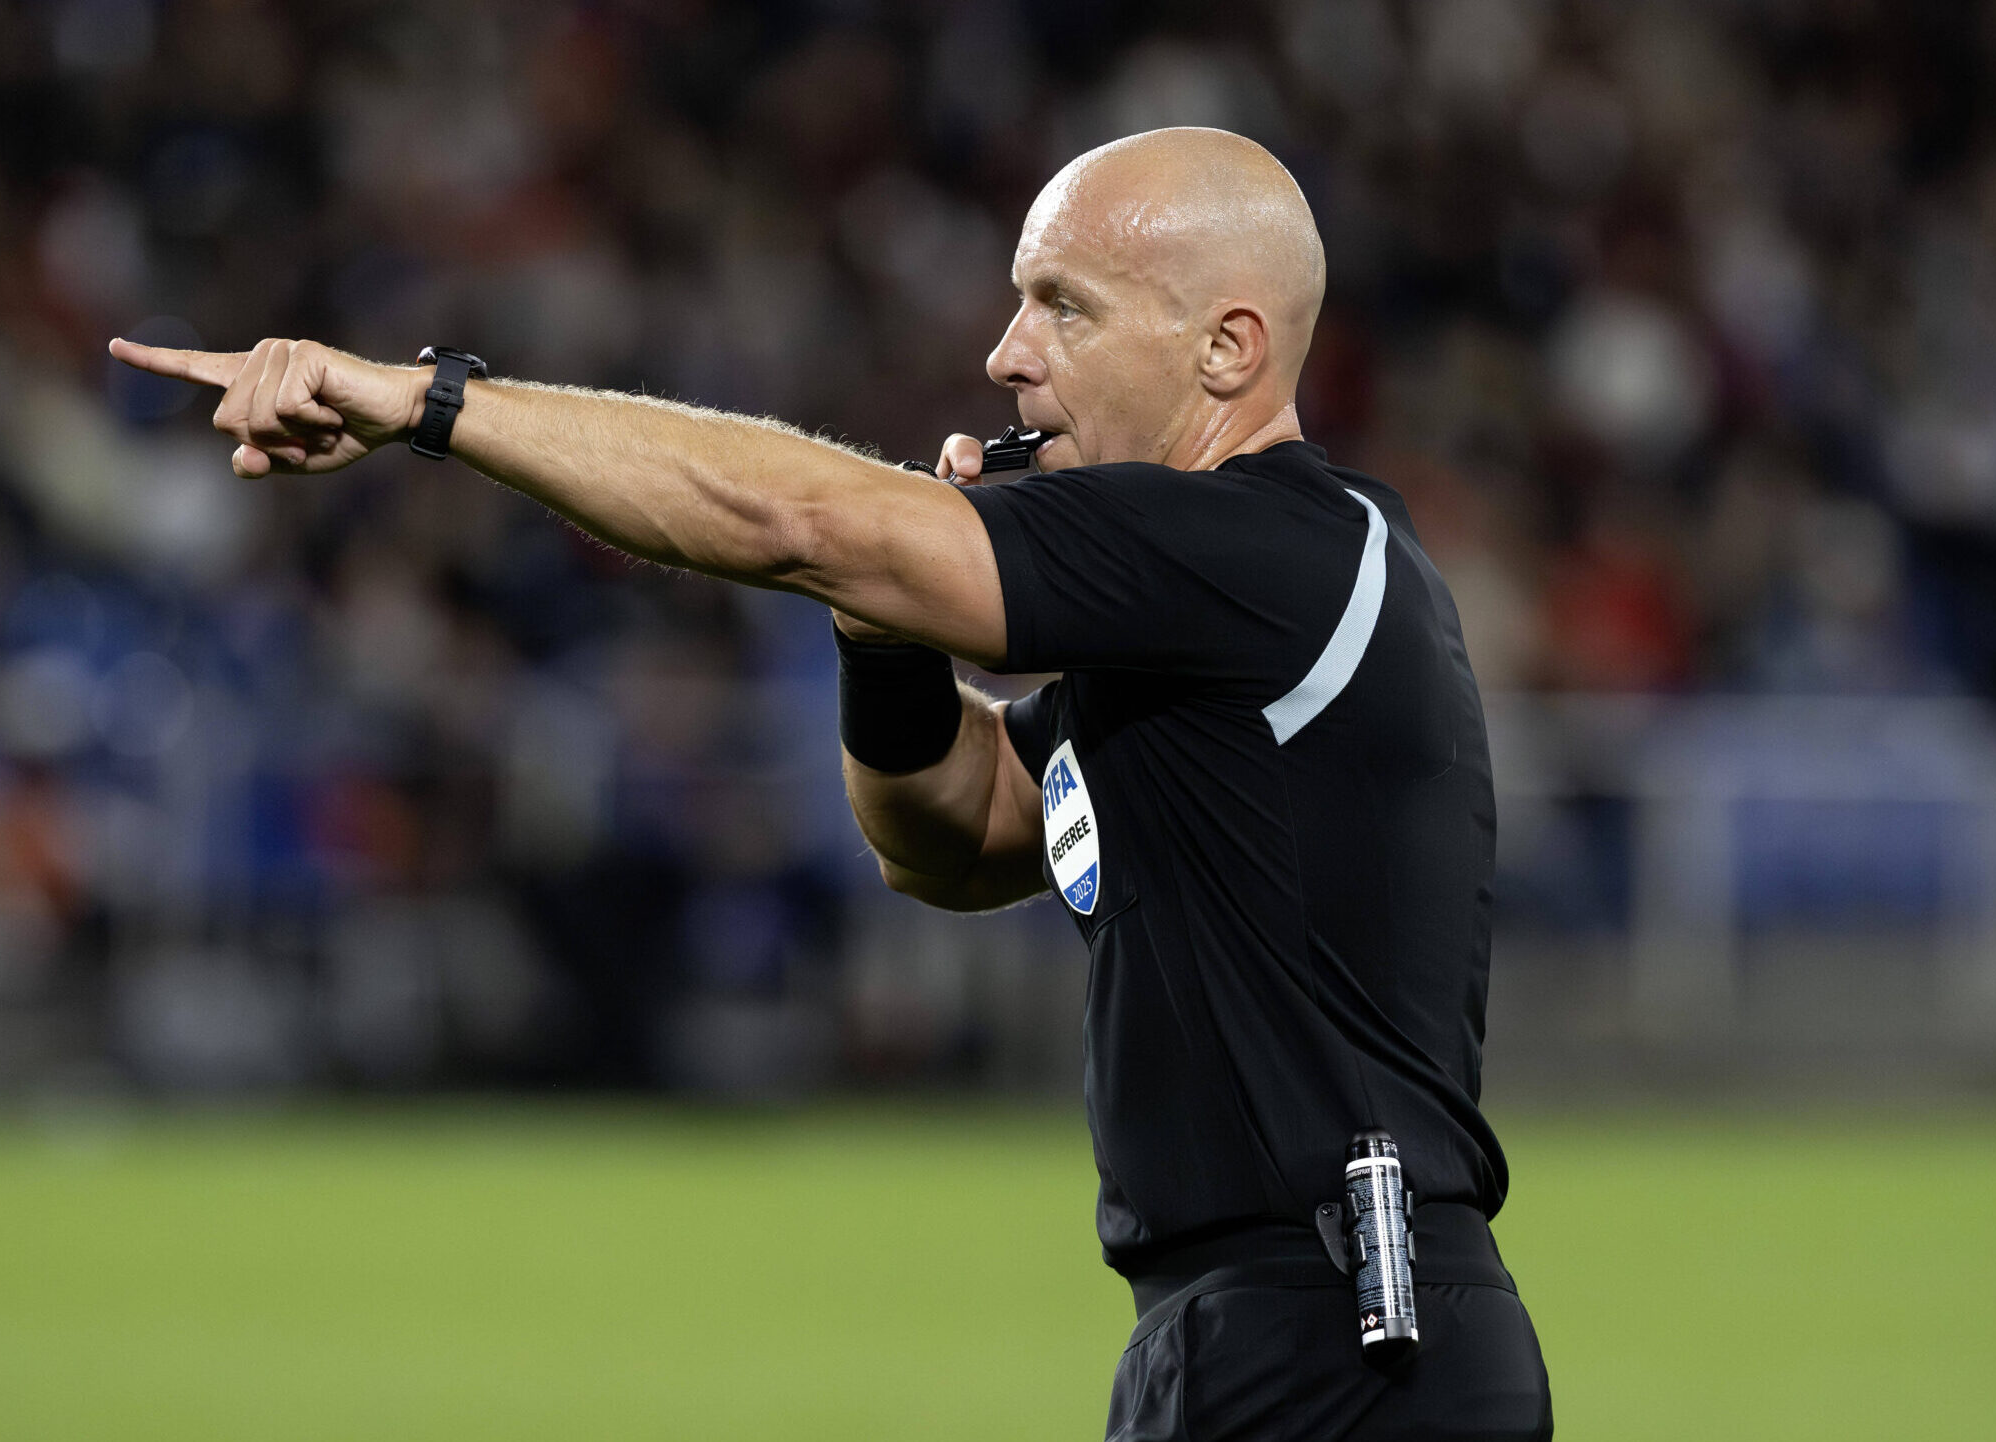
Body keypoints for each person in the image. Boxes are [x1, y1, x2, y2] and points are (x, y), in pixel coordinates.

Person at [113, 126, 1551, 1441]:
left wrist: (430, 404)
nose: (1004, 352)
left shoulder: (1286, 546)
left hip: (1351, 1336)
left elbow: (793, 515)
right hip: (1232, 1330)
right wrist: (889, 628)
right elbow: (961, 837)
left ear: (1229, 349)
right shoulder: (1196, 622)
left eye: (1063, 303)